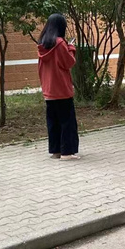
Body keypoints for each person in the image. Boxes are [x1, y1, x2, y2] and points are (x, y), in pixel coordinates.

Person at [38, 13, 79, 160]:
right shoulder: (60, 43)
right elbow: (69, 62)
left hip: (49, 89)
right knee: (67, 122)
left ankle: (56, 151)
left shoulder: (42, 43)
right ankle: (67, 152)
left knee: (53, 122)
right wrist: (71, 47)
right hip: (61, 88)